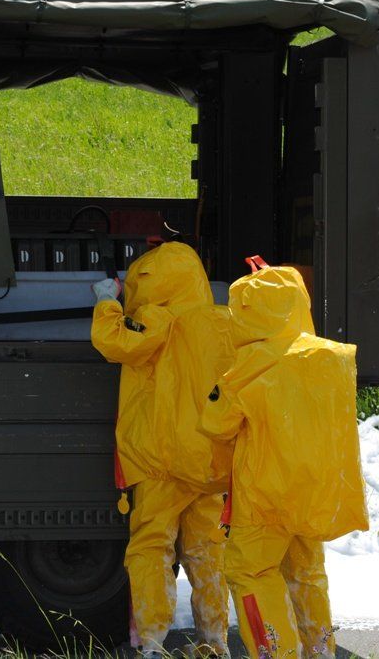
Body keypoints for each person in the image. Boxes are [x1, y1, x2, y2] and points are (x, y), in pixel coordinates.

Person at [199, 259, 367, 659]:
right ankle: (321, 650)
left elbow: (215, 423)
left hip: (265, 496)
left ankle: (277, 653)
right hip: (314, 493)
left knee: (249, 572)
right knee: (306, 573)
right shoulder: (331, 356)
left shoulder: (251, 364)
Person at [90, 241, 234, 658]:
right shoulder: (223, 323)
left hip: (162, 460)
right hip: (208, 462)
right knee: (207, 550)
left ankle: (153, 643)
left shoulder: (158, 319)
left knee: (152, 546)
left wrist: (106, 301)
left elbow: (114, 342)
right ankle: (215, 640)